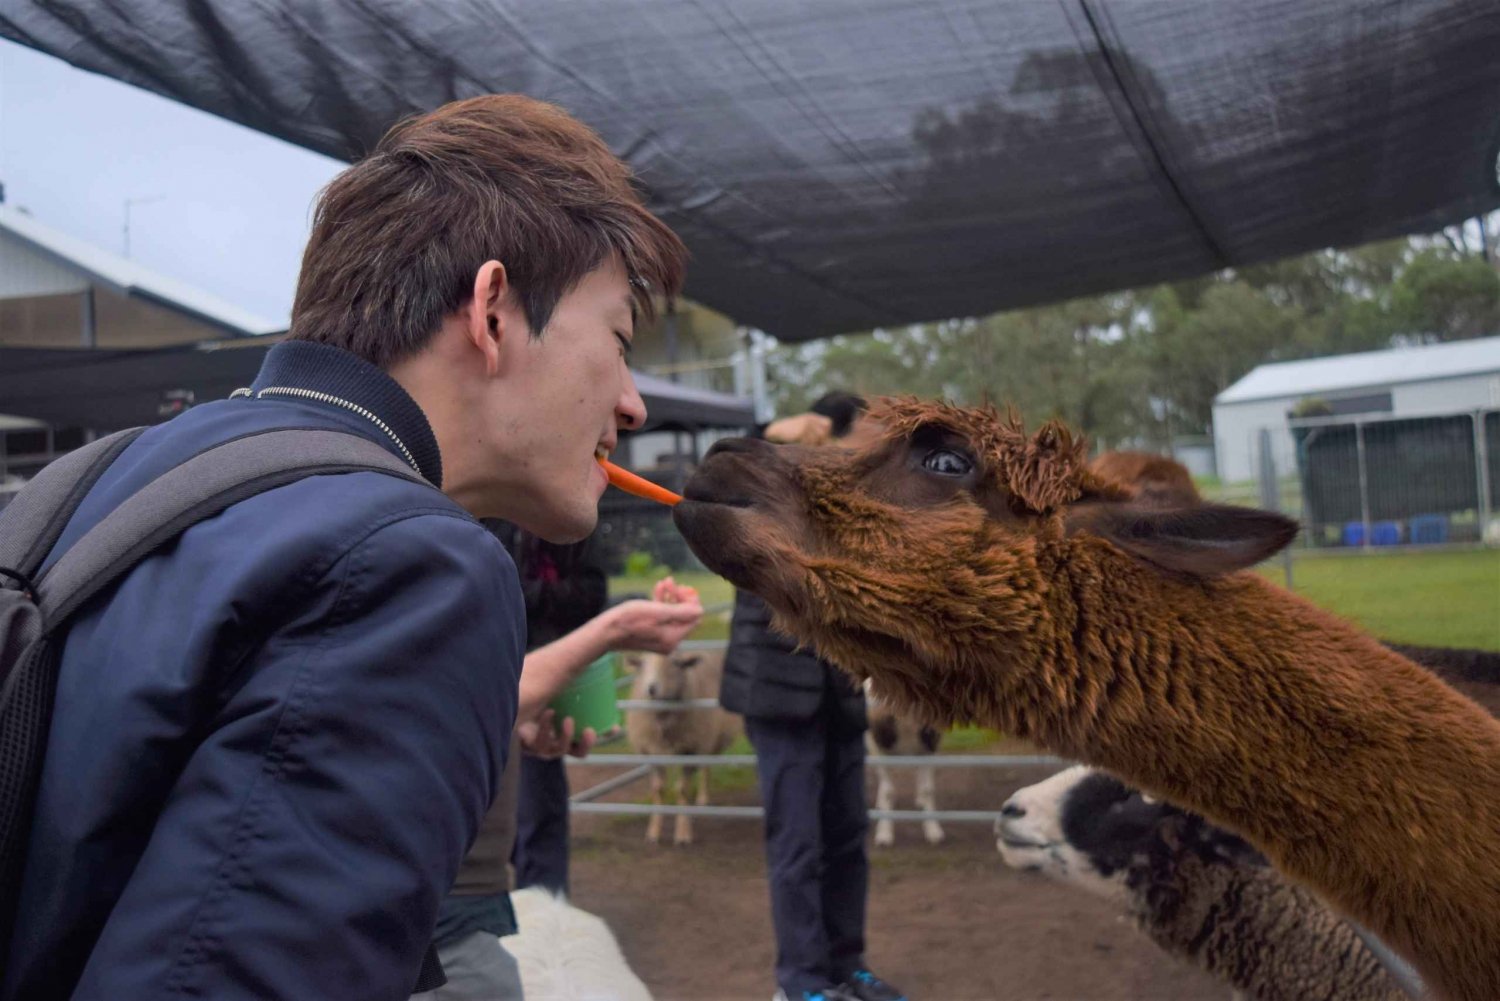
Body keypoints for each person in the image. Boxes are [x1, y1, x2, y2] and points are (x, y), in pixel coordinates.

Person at [2, 94, 686, 1001]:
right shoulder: (413, 565)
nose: (633, 403)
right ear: (492, 312)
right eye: (617, 340)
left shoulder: (86, 482)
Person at [418, 525, 701, 1001]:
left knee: (546, 809)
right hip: (434, 908)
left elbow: (587, 592)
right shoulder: (449, 539)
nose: (605, 447)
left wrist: (516, 728)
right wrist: (609, 631)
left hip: (466, 905)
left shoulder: (561, 537)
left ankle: (543, 908)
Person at [722, 392, 908, 1001]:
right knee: (798, 843)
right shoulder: (763, 488)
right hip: (779, 696)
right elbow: (716, 474)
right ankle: (801, 982)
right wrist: (769, 430)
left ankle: (847, 967)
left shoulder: (851, 502)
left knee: (848, 835)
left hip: (839, 691)